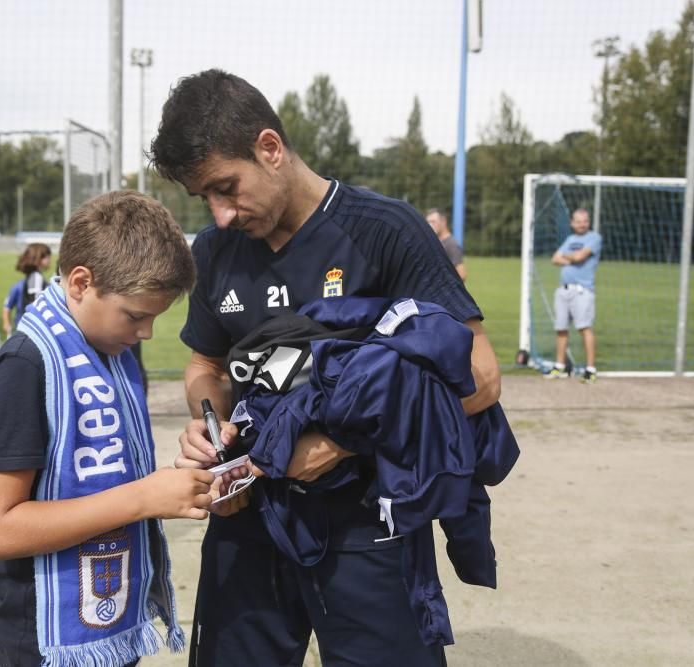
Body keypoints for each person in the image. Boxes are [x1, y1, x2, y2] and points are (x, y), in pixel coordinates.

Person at [149, 69, 501, 667]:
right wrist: (216, 434)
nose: (221, 213)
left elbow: (481, 375)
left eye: (226, 188)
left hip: (370, 525)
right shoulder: (212, 252)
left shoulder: (384, 230)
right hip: (250, 516)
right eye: (204, 198)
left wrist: (341, 441)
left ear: (270, 148)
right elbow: (205, 364)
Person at [0, 191, 215, 667]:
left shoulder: (112, 352)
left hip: (105, 623)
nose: (145, 333)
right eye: (137, 315)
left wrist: (177, 478)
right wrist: (144, 498)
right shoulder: (25, 366)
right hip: (35, 641)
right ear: (81, 282)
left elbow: (110, 470)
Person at [546, 208, 601, 383]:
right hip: (564, 290)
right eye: (578, 221)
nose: (581, 224)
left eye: (584, 220)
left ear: (588, 222)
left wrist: (568, 257)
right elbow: (555, 259)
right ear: (572, 223)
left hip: (582, 290)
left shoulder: (594, 238)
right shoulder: (570, 239)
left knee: (584, 327)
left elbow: (580, 257)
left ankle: (590, 369)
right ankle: (559, 366)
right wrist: (572, 257)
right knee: (561, 328)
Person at [2, 242, 52, 338]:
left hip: (22, 329)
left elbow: (6, 307)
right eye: (47, 256)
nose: (50, 259)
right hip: (31, 331)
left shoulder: (19, 285)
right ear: (38, 259)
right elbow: (35, 305)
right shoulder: (37, 279)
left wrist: (6, 323)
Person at [425, 208, 467, 281]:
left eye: (433, 222)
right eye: (428, 222)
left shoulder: (451, 244)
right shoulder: (434, 242)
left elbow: (462, 275)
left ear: (443, 221)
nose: (430, 225)